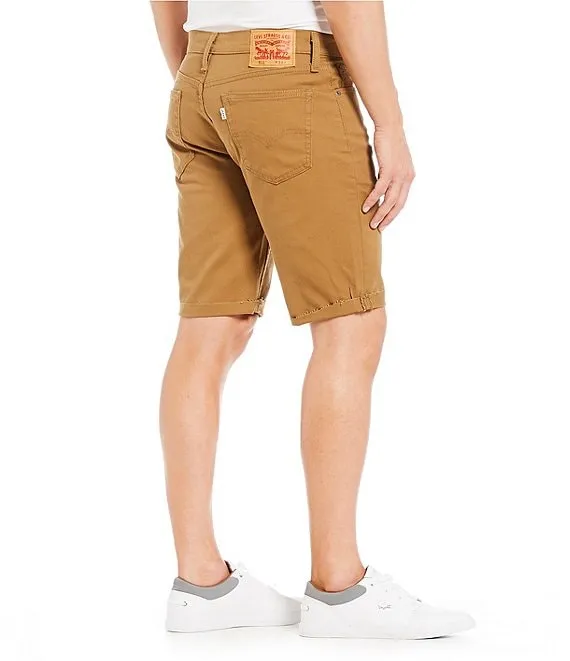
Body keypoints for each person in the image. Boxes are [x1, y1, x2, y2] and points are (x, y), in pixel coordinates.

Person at [151, 0, 474, 639]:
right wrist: (390, 126)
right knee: (351, 321)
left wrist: (207, 70)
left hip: (199, 75)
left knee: (210, 325)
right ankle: (339, 588)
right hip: (288, 74)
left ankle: (201, 584)